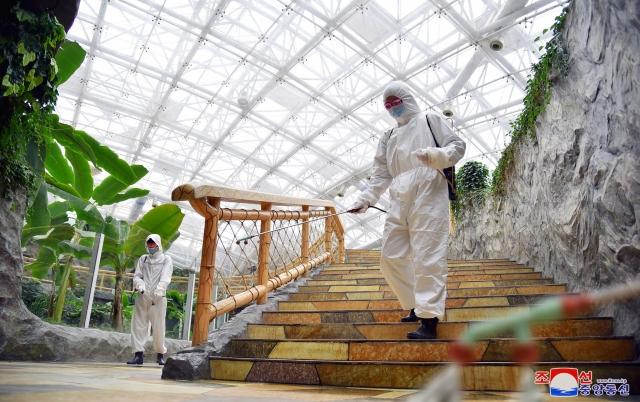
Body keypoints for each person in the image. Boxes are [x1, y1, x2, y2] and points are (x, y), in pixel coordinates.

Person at [349, 81, 466, 339]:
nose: (392, 108)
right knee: (390, 256)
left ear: (407, 99)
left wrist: (434, 157)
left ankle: (429, 318)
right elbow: (381, 173)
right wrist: (366, 198)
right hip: (398, 194)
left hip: (429, 187)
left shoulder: (429, 118)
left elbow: (457, 146)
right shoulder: (388, 136)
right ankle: (415, 303)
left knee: (428, 254)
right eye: (388, 105)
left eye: (396, 102)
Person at [126, 234, 173, 365]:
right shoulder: (143, 259)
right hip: (142, 297)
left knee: (158, 327)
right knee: (138, 325)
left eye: (153, 244)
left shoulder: (166, 259)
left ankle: (160, 355)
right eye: (149, 245)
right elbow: (137, 276)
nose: (151, 247)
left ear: (158, 245)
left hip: (158, 299)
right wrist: (140, 286)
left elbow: (165, 277)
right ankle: (138, 355)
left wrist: (159, 290)